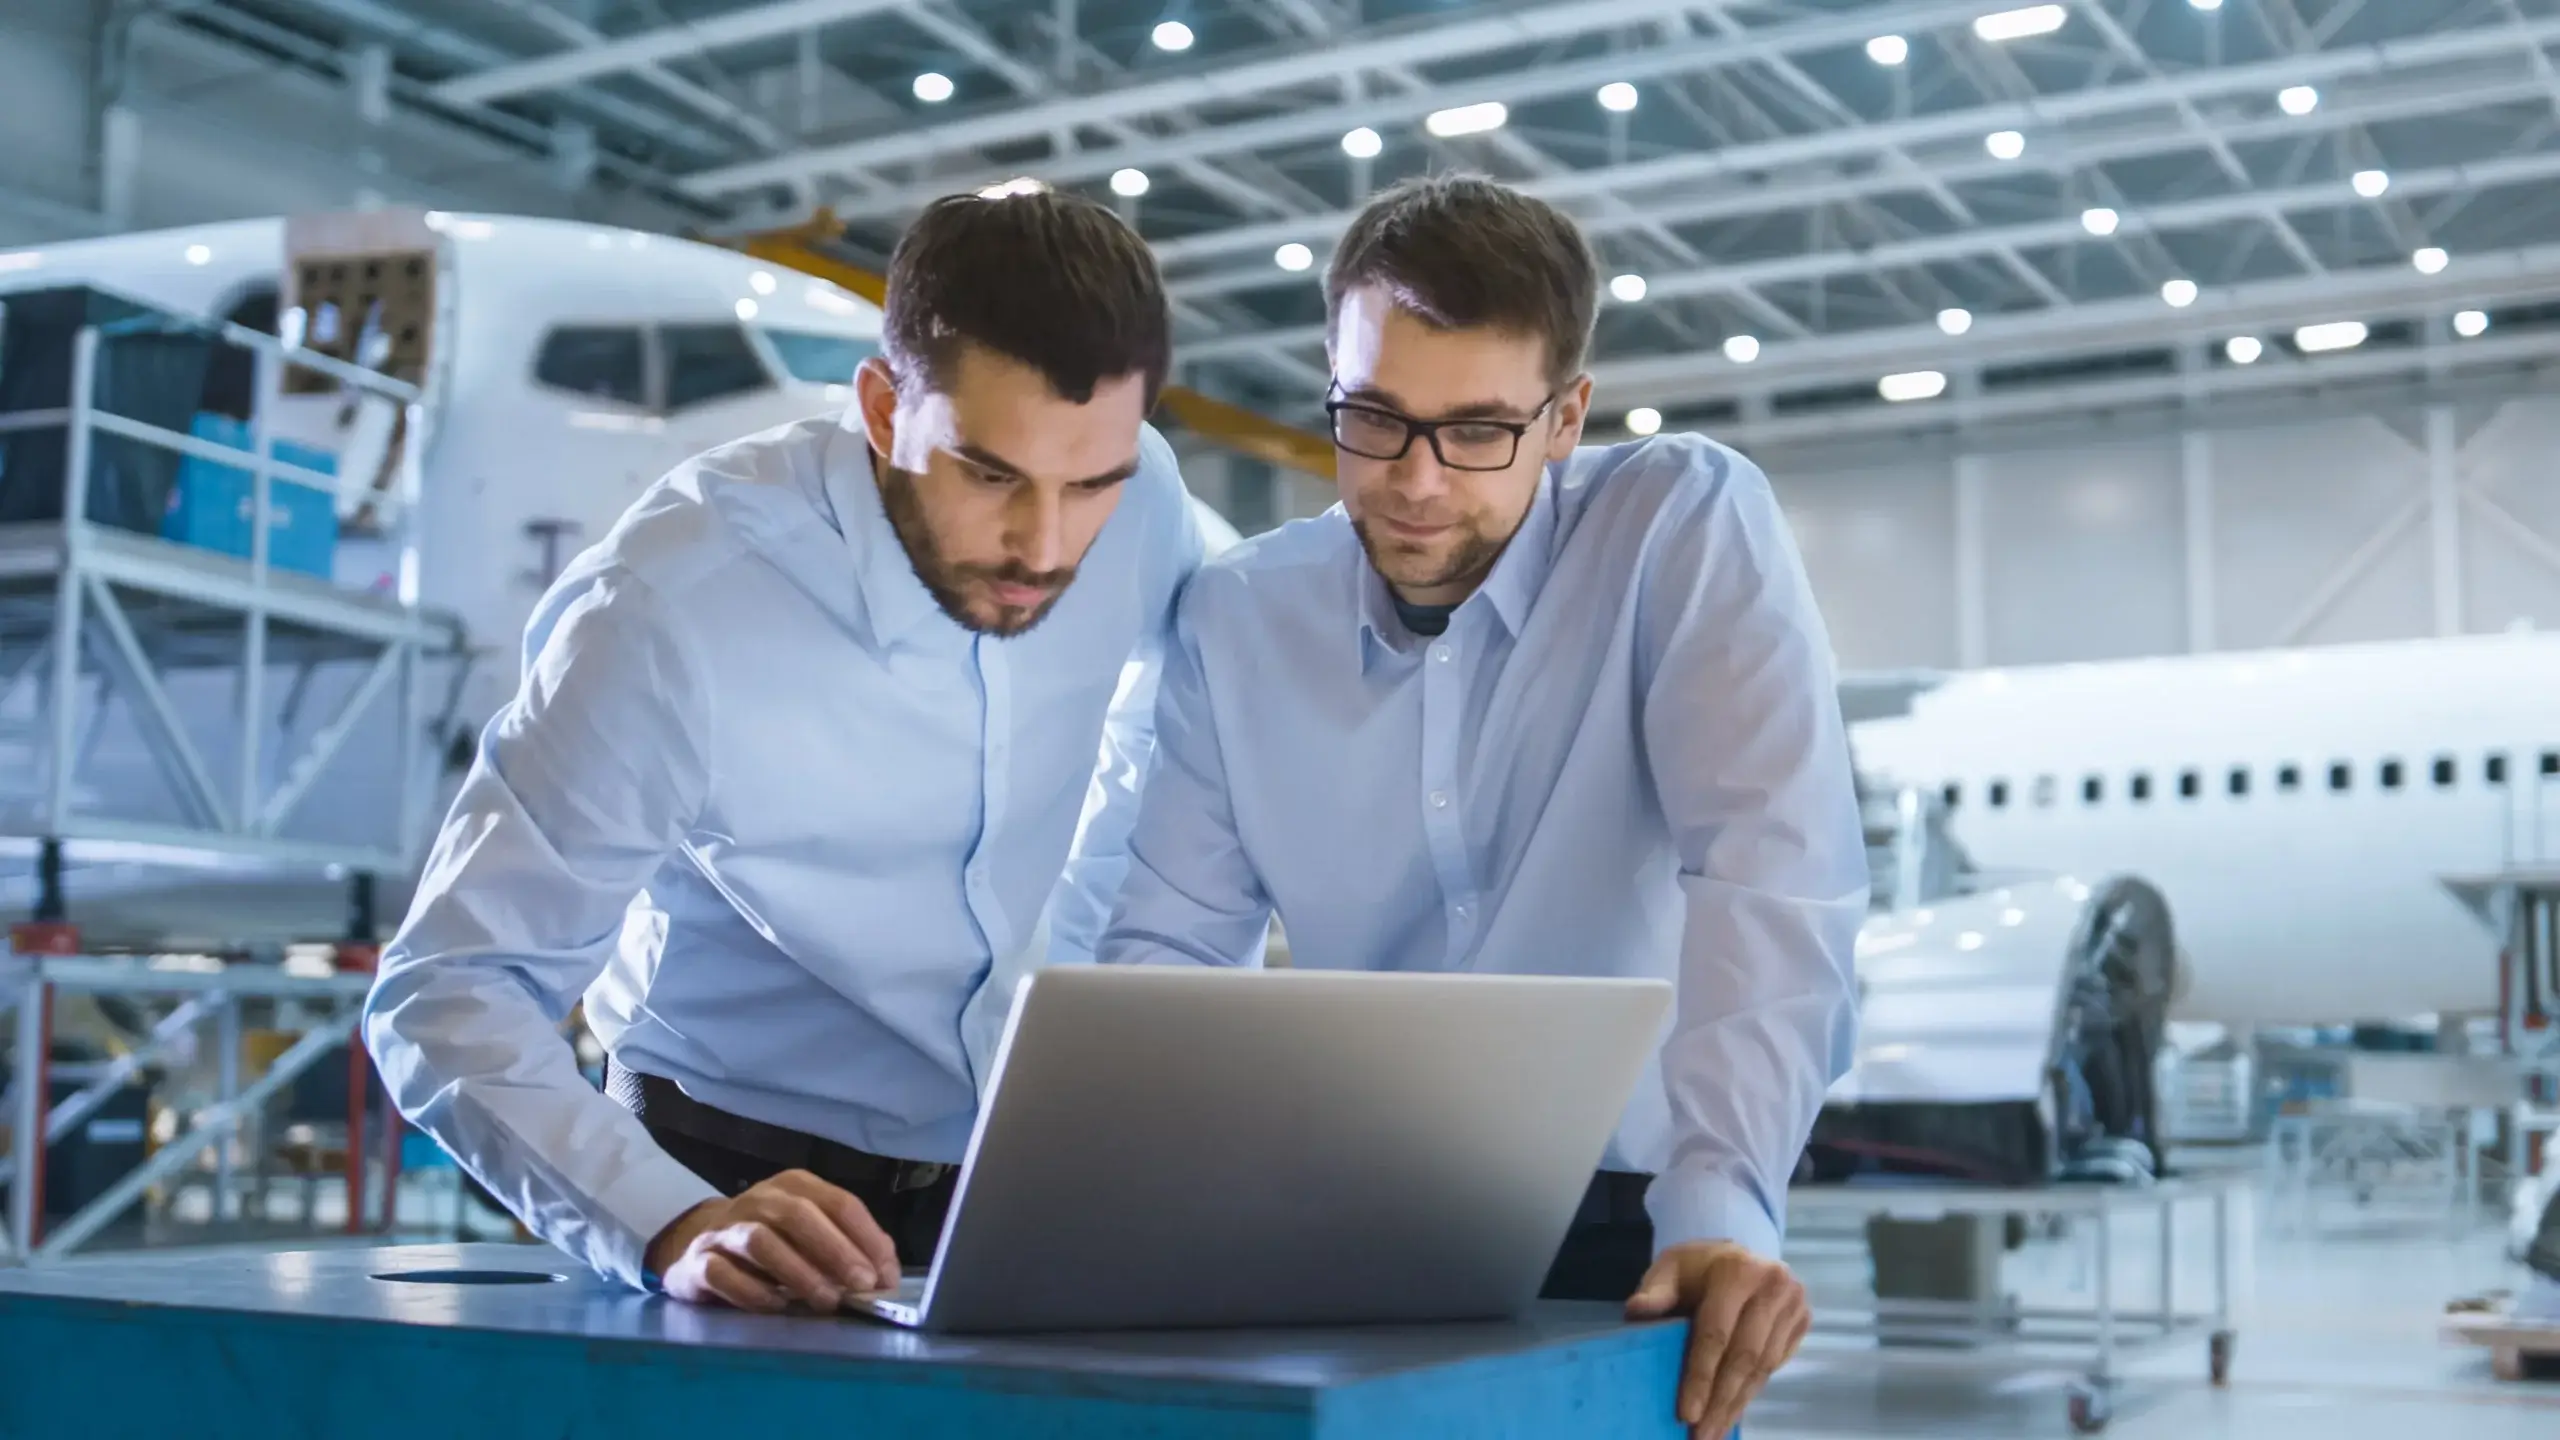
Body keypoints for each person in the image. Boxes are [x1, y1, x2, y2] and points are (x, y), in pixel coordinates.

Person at [1092, 174, 1866, 1438]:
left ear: (1565, 418)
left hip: (1637, 1229)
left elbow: (1769, 878)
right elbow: (1169, 947)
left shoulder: (1678, 524)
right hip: (1340, 1230)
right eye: (1374, 419)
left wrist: (1721, 1206)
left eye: (1477, 431)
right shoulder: (1238, 620)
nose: (1416, 481)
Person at [364, 189, 1203, 1313]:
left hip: (1024, 1172)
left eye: (1087, 484)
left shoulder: (1143, 497)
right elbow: (451, 989)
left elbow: (1165, 742)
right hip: (733, 1176)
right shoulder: (669, 607)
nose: (1043, 547)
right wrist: (664, 1223)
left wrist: (1115, 1007)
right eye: (988, 474)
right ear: (878, 408)